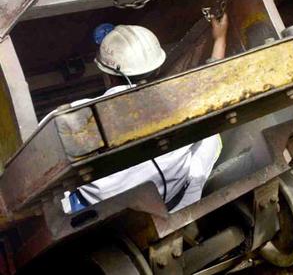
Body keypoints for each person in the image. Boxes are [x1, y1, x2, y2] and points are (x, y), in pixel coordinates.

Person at [67, 14, 230, 213]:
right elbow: (213, 84)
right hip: (174, 200)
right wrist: (220, 38)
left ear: (107, 76)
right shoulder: (181, 101)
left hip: (109, 217)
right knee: (210, 138)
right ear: (156, 69)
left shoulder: (78, 115)